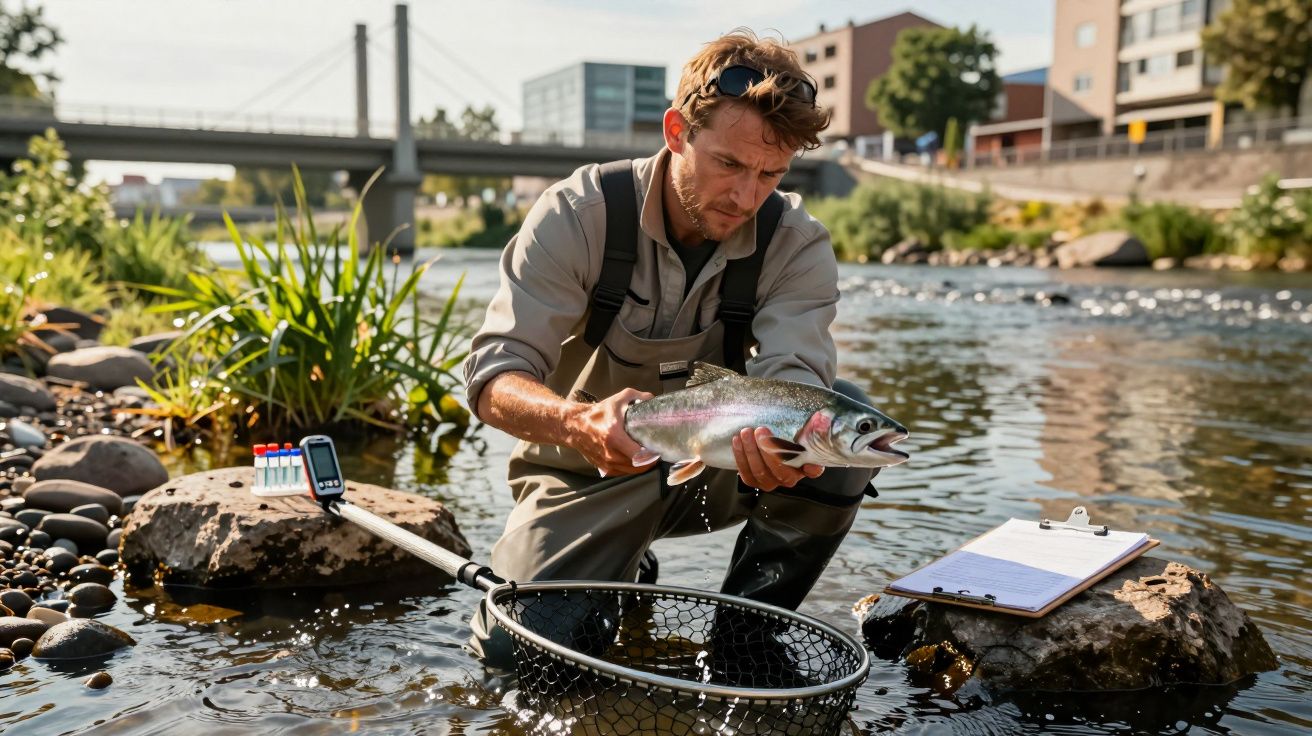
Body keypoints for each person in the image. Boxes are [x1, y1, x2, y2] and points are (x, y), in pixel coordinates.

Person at [463, 30, 878, 665]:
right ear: (677, 130)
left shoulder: (797, 244)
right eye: (730, 165)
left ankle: (746, 638)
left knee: (840, 421)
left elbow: (797, 377)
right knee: (521, 653)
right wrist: (576, 422)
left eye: (771, 173)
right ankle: (620, 562)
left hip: (718, 469)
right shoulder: (577, 214)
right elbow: (495, 378)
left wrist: (787, 450)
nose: (747, 196)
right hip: (583, 475)